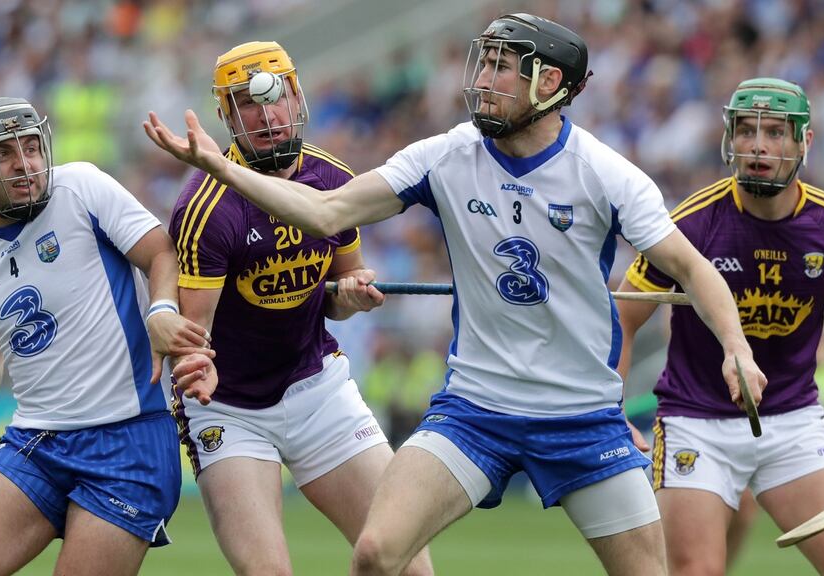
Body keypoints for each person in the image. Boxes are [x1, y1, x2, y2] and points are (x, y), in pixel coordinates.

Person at [146, 13, 767, 576]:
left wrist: (735, 346)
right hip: (475, 410)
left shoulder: (605, 174)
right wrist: (222, 167)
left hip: (581, 416)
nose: (482, 80)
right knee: (377, 553)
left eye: (502, 67)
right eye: (484, 63)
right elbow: (327, 212)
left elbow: (693, 269)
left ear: (550, 83)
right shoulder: (446, 155)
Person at [0, 96, 215, 576]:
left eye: (31, 147)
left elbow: (162, 251)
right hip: (36, 440)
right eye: (4, 154)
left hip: (128, 440)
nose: (24, 164)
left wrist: (161, 309)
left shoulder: (80, 187)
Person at [165, 41, 432, 575]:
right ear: (227, 116)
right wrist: (195, 365)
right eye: (246, 103)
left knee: (404, 563)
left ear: (297, 97)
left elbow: (340, 293)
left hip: (317, 390)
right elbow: (194, 337)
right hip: (230, 408)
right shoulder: (205, 208)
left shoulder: (332, 180)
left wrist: (350, 298)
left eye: (274, 97)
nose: (265, 114)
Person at [617, 78, 824, 574]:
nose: (758, 145)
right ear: (728, 138)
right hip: (697, 422)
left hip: (793, 420)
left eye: (775, 132)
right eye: (745, 131)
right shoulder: (694, 222)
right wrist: (611, 408)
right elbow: (624, 316)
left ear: (805, 141)